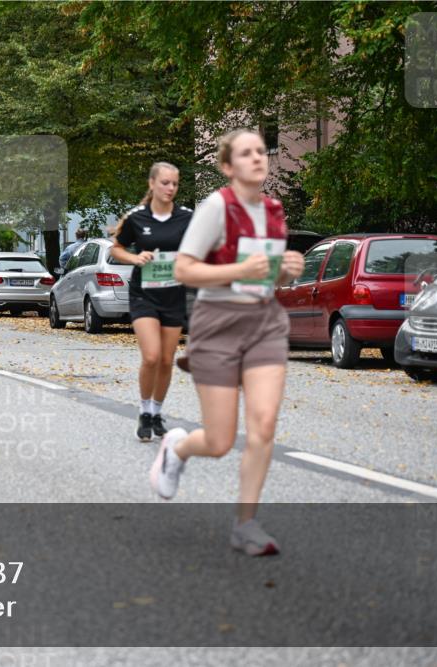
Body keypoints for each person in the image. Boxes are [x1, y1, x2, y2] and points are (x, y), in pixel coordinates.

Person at [149, 129, 305, 556]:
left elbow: (268, 274)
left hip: (265, 322)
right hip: (218, 322)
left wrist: (287, 270)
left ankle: (245, 524)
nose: (257, 158)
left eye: (261, 151)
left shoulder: (273, 210)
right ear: (226, 166)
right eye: (246, 153)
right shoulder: (216, 208)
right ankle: (177, 448)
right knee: (219, 441)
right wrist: (239, 271)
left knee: (264, 424)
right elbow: (183, 270)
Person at [110, 162, 191, 442]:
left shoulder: (186, 217)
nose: (170, 188)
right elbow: (116, 248)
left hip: (173, 294)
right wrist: (135, 258)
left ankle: (156, 412)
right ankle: (144, 411)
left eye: (175, 184)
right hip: (143, 294)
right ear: (152, 184)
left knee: (167, 360)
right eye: (165, 183)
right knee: (152, 356)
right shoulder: (137, 217)